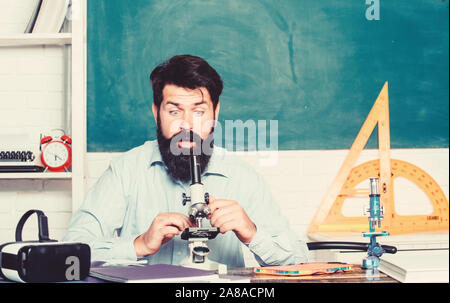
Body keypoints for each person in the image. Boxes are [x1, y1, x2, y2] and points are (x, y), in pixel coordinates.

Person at [62, 55, 309, 268]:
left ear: (216, 112)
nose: (187, 125)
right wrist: (140, 244)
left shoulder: (242, 177)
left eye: (199, 112)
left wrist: (252, 233)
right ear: (155, 111)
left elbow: (299, 260)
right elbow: (72, 252)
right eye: (174, 111)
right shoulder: (126, 170)